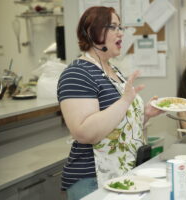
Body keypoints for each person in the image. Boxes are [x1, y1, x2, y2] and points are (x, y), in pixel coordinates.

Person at [57, 6, 163, 200]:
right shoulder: (77, 74)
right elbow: (84, 133)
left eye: (120, 27)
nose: (121, 33)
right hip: (92, 180)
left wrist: (145, 114)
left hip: (123, 174)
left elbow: (119, 126)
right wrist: (125, 101)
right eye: (113, 27)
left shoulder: (113, 70)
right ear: (92, 32)